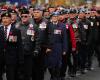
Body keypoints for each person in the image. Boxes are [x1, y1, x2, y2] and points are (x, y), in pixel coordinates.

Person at [0, 11, 23, 80]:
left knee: (11, 77)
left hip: (12, 58)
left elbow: (19, 46)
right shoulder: (0, 29)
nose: (5, 20)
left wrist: (20, 60)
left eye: (7, 18)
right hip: (0, 58)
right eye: (3, 18)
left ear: (10, 19)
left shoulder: (16, 31)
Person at [46, 12, 68, 80]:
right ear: (51, 18)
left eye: (56, 17)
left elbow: (64, 38)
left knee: (58, 64)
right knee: (49, 64)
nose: (54, 18)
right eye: (53, 17)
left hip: (58, 46)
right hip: (49, 47)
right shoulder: (48, 25)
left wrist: (64, 49)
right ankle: (52, 75)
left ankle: (56, 77)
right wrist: (46, 47)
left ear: (58, 17)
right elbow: (45, 37)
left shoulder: (62, 26)